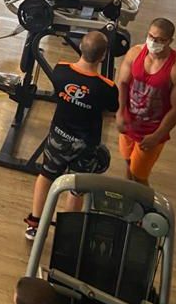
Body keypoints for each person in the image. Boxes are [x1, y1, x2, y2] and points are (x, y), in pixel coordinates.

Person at [23, 32, 119, 241]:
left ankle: (34, 224)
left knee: (46, 175)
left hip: (58, 137)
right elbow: (112, 110)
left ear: (81, 48)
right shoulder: (107, 88)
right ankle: (66, 235)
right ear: (103, 56)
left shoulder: (61, 70)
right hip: (86, 145)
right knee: (76, 188)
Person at [116, 18, 176, 185]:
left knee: (139, 176)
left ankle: (144, 200)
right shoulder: (135, 53)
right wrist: (120, 112)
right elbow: (122, 83)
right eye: (151, 36)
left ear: (170, 41)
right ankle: (128, 196)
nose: (153, 42)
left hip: (151, 130)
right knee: (128, 162)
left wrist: (157, 136)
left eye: (160, 40)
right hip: (129, 122)